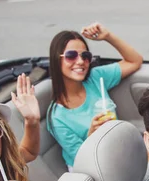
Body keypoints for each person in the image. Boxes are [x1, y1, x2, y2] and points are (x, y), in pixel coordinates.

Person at [47, 23, 143, 171]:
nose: (80, 61)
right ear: (56, 59)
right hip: (90, 167)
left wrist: (108, 37)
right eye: (71, 55)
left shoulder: (95, 78)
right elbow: (83, 159)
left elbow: (134, 61)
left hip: (115, 148)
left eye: (85, 56)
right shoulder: (57, 117)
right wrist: (91, 135)